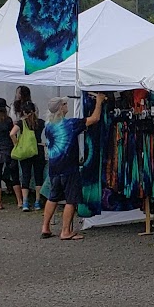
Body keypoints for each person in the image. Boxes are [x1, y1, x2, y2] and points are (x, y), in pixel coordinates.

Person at [40, 95, 105, 240]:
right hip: (69, 168)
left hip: (54, 167)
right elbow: (94, 119)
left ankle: (45, 227)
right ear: (61, 108)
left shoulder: (48, 126)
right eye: (65, 104)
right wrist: (99, 102)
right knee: (71, 199)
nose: (67, 105)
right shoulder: (70, 124)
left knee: (53, 197)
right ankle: (65, 231)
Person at [11, 102, 46, 212]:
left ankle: (25, 202)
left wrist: (17, 143)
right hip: (38, 150)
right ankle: (37, 201)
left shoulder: (21, 123)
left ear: (24, 112)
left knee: (25, 175)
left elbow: (12, 134)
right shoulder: (41, 122)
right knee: (38, 176)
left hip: (25, 151)